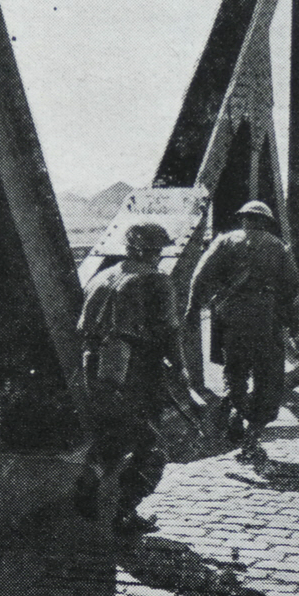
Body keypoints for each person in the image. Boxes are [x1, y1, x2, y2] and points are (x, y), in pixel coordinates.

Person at [74, 222, 185, 533]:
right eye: (157, 250)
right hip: (134, 369)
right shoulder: (157, 282)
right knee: (150, 443)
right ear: (148, 251)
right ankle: (125, 514)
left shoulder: (101, 276)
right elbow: (170, 333)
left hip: (94, 365)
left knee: (110, 432)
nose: (159, 256)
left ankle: (89, 480)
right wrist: (181, 370)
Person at [184, 200, 299, 463]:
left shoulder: (224, 241)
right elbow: (293, 291)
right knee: (268, 377)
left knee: (234, 370)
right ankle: (253, 433)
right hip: (265, 318)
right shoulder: (277, 247)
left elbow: (200, 276)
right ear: (265, 221)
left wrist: (193, 309)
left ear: (242, 219)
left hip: (231, 317)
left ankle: (235, 406)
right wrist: (294, 330)